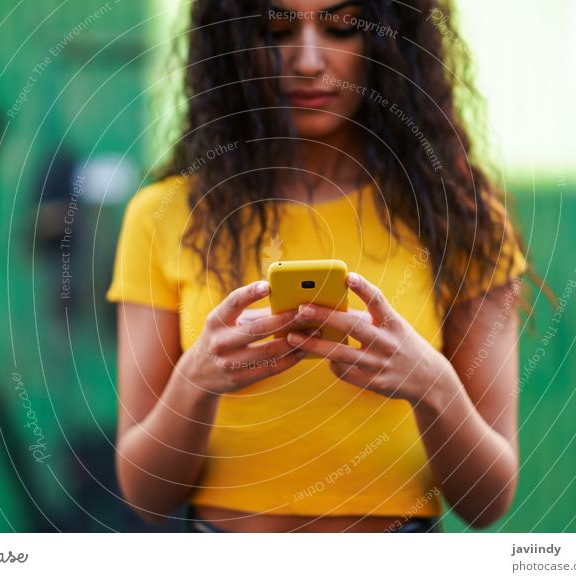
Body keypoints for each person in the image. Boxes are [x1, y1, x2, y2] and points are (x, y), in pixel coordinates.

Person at [106, 0, 537, 533]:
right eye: (276, 30)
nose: (308, 61)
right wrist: (195, 382)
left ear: (393, 42)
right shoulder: (163, 217)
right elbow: (146, 495)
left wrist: (433, 387)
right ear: (232, 48)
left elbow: (487, 501)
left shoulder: (462, 218)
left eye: (341, 28)